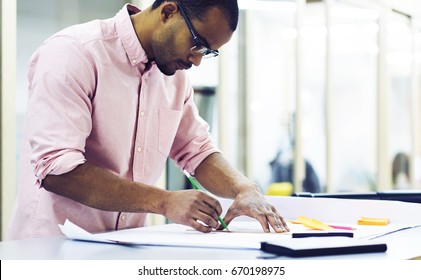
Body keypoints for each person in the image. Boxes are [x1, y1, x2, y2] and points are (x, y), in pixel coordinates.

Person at [8, 0, 289, 240]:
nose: (197, 61)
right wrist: (165, 202)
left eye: (208, 52)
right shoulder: (74, 54)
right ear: (168, 12)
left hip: (123, 247)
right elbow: (58, 170)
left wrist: (244, 189)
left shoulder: (175, 80)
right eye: (198, 45)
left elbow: (197, 150)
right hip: (52, 251)